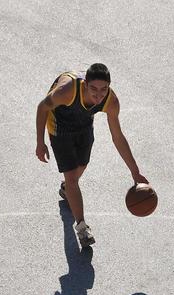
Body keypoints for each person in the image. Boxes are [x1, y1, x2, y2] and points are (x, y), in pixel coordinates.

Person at [35, 63, 148, 247]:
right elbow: (42, 107)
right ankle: (82, 228)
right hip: (59, 124)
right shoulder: (67, 90)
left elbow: (117, 137)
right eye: (93, 88)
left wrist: (135, 172)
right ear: (85, 84)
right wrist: (40, 142)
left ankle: (67, 189)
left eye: (103, 89)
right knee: (72, 177)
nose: (98, 94)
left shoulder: (110, 101)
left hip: (83, 123)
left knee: (81, 166)